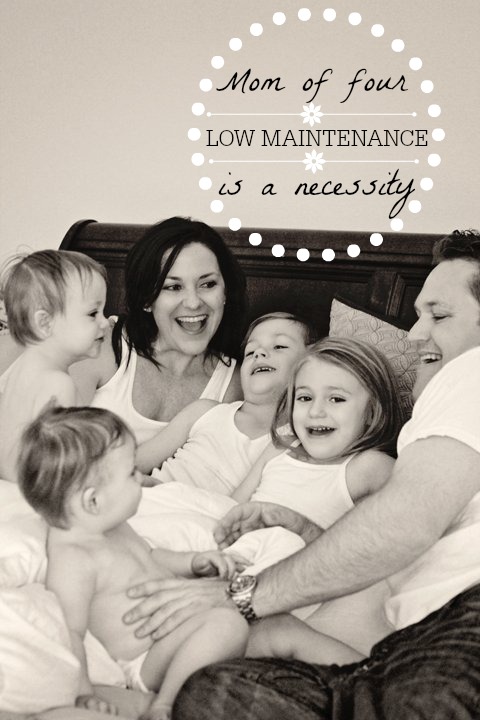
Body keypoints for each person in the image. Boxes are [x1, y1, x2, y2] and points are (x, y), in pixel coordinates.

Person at [120, 229, 480, 719]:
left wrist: (241, 597)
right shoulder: (270, 441)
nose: (414, 335)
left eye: (438, 315)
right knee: (210, 691)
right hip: (391, 642)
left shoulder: (471, 373)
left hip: (450, 632)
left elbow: (404, 521)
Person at [17, 405, 250, 720]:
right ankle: (165, 704)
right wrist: (84, 692)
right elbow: (71, 633)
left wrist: (193, 562)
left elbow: (150, 555)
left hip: (179, 630)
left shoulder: (111, 526)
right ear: (93, 500)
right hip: (147, 657)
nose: (141, 478)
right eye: (131, 473)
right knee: (228, 624)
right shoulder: (74, 560)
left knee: (262, 625)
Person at [72, 216, 248, 447]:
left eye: (208, 284)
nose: (193, 303)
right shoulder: (101, 345)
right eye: (173, 287)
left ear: (225, 292)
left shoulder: (235, 386)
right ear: (146, 299)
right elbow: (47, 450)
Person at [231, 337, 402, 528]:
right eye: (305, 398)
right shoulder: (280, 448)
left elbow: (406, 532)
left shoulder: (370, 466)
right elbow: (231, 508)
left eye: (336, 399)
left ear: (372, 411)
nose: (315, 411)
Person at [134, 312, 313, 488]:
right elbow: (135, 462)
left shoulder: (298, 443)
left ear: (313, 362)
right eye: (250, 352)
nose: (259, 353)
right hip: (149, 496)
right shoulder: (205, 411)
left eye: (279, 346)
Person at [0, 249, 108, 482]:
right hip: (36, 493)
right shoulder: (59, 384)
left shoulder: (21, 370)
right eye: (93, 313)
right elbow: (66, 464)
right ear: (45, 323)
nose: (106, 322)